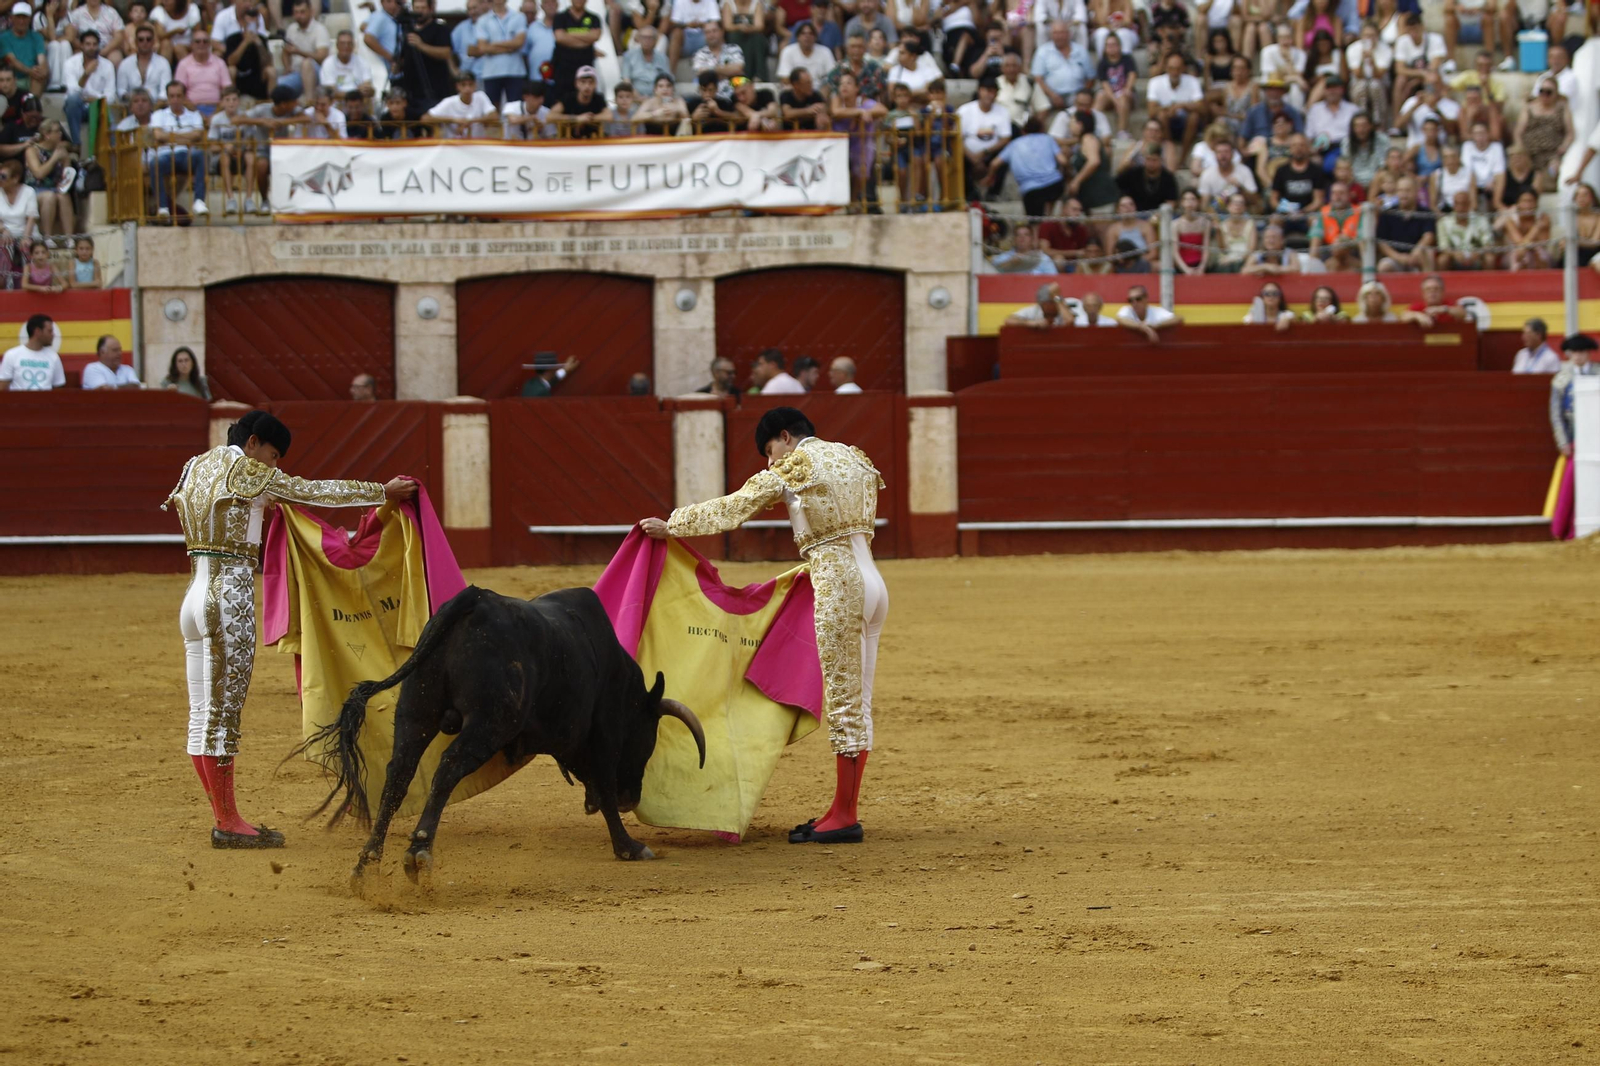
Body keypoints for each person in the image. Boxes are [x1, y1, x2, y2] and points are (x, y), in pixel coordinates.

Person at [164, 410, 416, 849]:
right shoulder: (249, 471)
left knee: (201, 714)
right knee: (222, 717)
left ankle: (223, 814)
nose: (275, 466)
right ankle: (227, 821)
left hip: (192, 594)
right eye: (274, 455)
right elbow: (313, 491)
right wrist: (382, 491)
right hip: (229, 597)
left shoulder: (195, 466)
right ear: (255, 442)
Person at [639, 408, 889, 846]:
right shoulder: (854, 457)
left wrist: (673, 524)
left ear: (786, 438)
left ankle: (845, 816)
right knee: (859, 701)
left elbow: (736, 507)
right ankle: (841, 809)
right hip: (874, 585)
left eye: (770, 451)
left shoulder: (796, 464)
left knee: (846, 703)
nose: (771, 463)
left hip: (838, 586)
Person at [1550, 335, 1598, 460]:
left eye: (1581, 352)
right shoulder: (1561, 379)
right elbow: (1556, 413)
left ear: (1588, 353)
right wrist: (1562, 442)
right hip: (1572, 435)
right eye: (1574, 352)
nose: (1577, 356)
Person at [0, 312, 62, 390]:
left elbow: (58, 389)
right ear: (37, 331)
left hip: (45, 402)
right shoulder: (12, 355)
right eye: (49, 331)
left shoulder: (54, 357)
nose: (53, 335)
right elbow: (2, 388)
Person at [1115, 284, 1182, 340]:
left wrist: (1156, 326)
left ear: (1146, 298)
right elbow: (1120, 319)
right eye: (1130, 300)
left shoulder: (1156, 311)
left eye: (1138, 299)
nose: (1134, 303)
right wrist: (1144, 328)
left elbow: (1178, 318)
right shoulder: (1127, 309)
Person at [1005, 282, 1074, 328]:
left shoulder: (1064, 306)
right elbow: (1008, 320)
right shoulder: (1035, 310)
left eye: (1053, 302)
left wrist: (1056, 297)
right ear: (1041, 303)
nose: (1051, 305)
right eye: (1048, 302)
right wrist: (1030, 323)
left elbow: (1069, 321)